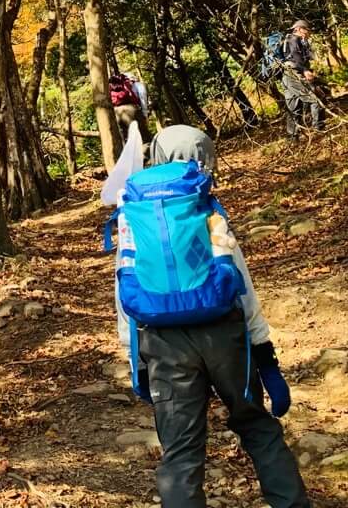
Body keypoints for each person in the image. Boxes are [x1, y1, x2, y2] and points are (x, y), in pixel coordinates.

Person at [114, 126, 311, 508]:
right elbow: (242, 285)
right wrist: (265, 353)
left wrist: (135, 359)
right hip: (225, 333)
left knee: (181, 450)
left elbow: (124, 287)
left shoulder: (133, 210)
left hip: (161, 340)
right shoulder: (206, 205)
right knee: (256, 425)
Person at [280, 20, 325, 139]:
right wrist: (305, 70)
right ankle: (318, 130)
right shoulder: (293, 39)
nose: (308, 33)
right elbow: (296, 57)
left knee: (294, 108)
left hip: (287, 76)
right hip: (294, 74)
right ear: (299, 29)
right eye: (307, 30)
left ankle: (292, 138)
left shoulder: (291, 40)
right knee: (315, 98)